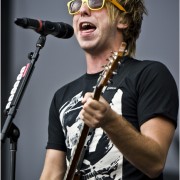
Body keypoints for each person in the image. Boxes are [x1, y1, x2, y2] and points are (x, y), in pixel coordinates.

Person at [40, 0, 178, 179]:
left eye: (95, 2)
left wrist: (110, 121)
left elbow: (155, 162)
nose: (82, 10)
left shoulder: (149, 75)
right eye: (76, 4)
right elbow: (52, 173)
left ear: (122, 19)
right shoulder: (62, 96)